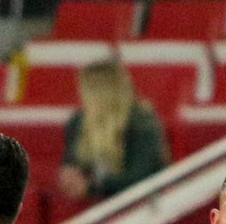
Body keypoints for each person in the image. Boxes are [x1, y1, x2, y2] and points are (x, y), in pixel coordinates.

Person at [60, 61, 170, 202]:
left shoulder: (141, 122)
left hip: (142, 204)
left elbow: (140, 177)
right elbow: (70, 161)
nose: (79, 94)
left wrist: (92, 186)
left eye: (83, 90)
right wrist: (69, 174)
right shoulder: (78, 120)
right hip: (96, 201)